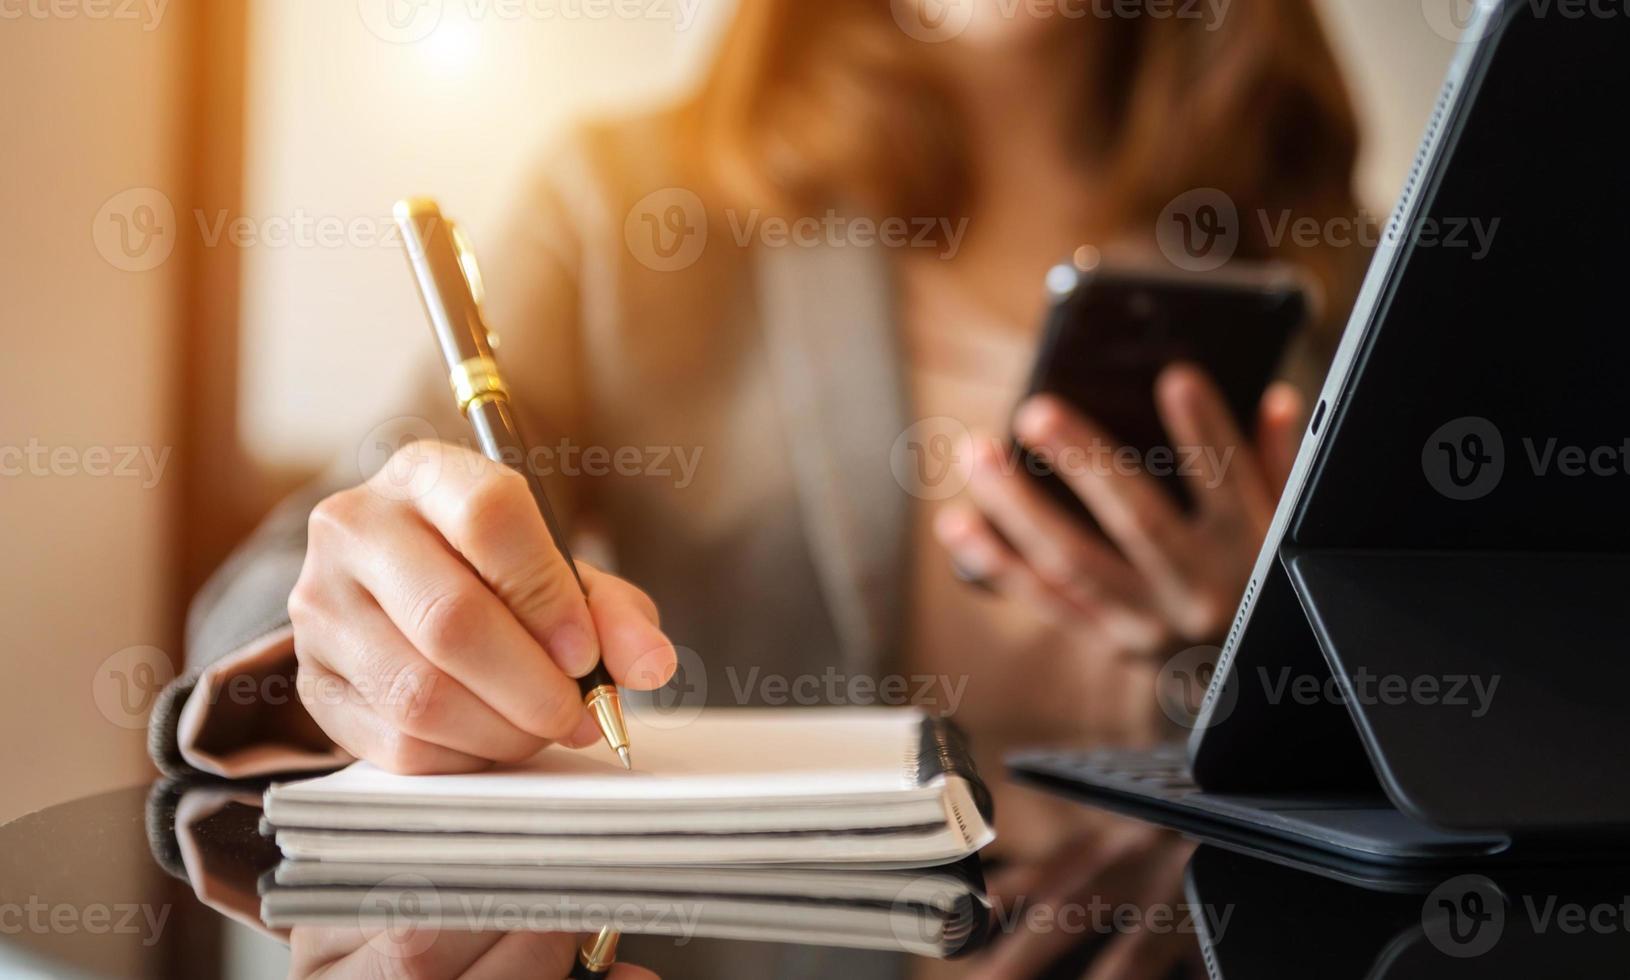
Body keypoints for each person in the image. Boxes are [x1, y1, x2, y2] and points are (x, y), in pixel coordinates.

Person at [149, 0, 1365, 974]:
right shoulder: (625, 206)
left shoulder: (1337, 252)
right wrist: (358, 634)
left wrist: (1243, 647)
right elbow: (281, 575)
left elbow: (1464, 715)